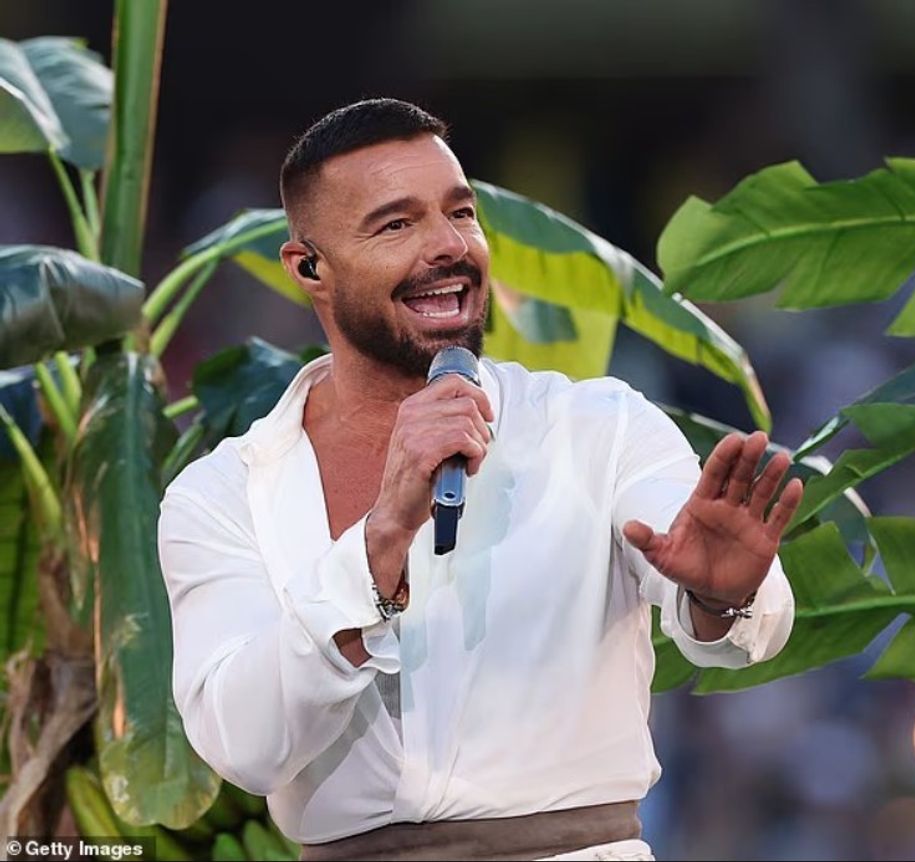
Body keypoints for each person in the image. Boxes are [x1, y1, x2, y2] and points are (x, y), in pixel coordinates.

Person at [157, 98, 802, 862]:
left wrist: (720, 596)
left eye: (460, 213)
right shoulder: (222, 496)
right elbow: (243, 747)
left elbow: (740, 634)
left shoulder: (599, 427)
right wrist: (379, 544)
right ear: (309, 268)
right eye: (396, 225)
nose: (447, 245)